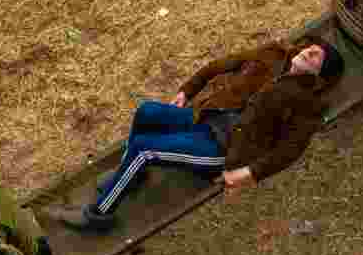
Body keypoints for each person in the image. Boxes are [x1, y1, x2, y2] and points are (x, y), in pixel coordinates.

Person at [50, 36, 346, 231]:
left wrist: (248, 174)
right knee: (147, 112)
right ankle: (133, 176)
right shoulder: (273, 54)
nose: (311, 51)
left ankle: (97, 216)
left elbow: (290, 150)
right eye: (313, 48)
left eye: (318, 57)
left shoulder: (307, 104)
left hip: (220, 148)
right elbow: (222, 65)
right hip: (203, 117)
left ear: (319, 77)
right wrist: (187, 90)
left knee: (144, 149)